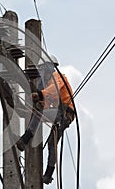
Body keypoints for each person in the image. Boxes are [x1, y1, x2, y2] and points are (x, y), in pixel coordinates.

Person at [16, 54, 75, 184]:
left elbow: (53, 90)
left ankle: (26, 138)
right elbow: (48, 102)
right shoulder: (48, 83)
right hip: (60, 115)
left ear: (49, 67)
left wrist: (40, 94)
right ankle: (48, 174)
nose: (42, 72)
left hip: (64, 114)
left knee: (39, 113)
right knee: (52, 144)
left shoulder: (58, 77)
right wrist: (42, 101)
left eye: (43, 69)